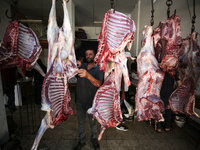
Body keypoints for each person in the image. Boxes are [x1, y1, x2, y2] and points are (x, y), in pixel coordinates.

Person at [74, 49, 104, 150]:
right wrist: (76, 63)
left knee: (93, 122)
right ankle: (81, 140)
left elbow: (99, 83)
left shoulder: (98, 69)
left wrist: (88, 75)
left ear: (95, 56)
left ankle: (94, 138)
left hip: (92, 101)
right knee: (81, 121)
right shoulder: (81, 66)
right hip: (79, 101)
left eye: (90, 54)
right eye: (86, 54)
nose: (88, 56)